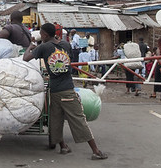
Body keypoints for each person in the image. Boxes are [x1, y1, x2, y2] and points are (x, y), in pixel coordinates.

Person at [23, 23, 107, 160]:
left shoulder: (43, 47)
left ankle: (87, 150)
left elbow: (25, 58)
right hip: (67, 87)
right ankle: (74, 148)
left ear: (44, 35)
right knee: (73, 118)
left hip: (55, 90)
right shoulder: (66, 45)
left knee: (60, 119)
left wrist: (30, 46)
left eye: (42, 34)